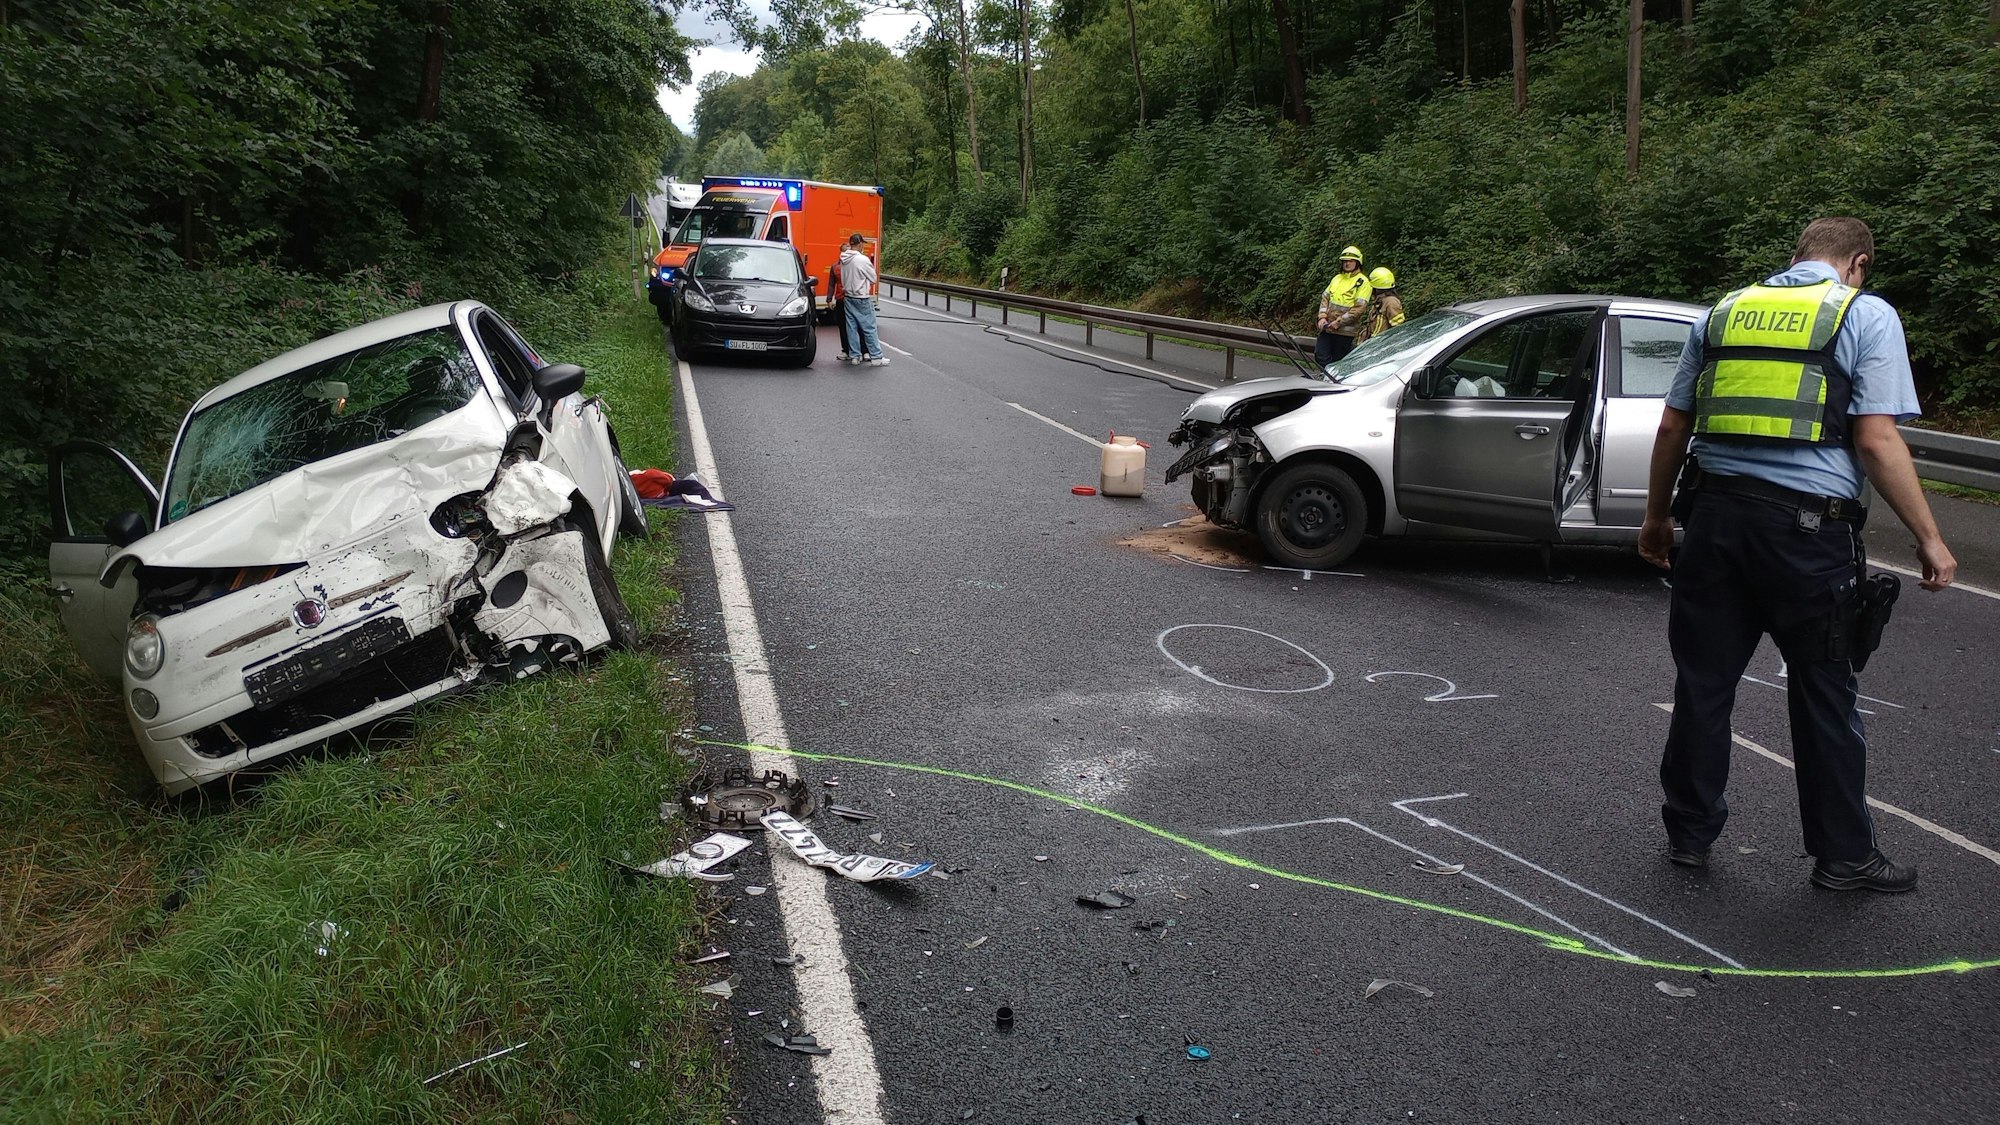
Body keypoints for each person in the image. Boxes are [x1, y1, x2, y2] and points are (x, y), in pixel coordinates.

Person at [1638, 216, 1957, 893]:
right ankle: (1843, 855)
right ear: (1857, 264)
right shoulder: (1862, 315)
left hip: (1715, 521)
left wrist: (1657, 515)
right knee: (1823, 691)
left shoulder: (1726, 311)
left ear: (1796, 257)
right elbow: (1875, 440)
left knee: (1703, 684)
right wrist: (1929, 536)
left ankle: (1689, 836)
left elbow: (1673, 423)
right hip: (1808, 536)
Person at [1314, 246, 1372, 367]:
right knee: (1320, 355)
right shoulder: (1337, 278)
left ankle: (1332, 382)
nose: (1347, 263)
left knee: (1338, 362)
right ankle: (1327, 380)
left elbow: (1359, 308)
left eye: (1351, 261)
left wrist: (1339, 322)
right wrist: (1322, 317)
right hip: (1327, 327)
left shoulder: (1363, 282)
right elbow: (1325, 298)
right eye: (1345, 261)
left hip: (1345, 332)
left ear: (1358, 263)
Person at [838, 233, 887, 367]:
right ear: (859, 244)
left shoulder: (843, 259)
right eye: (862, 244)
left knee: (851, 327)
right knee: (869, 327)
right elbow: (873, 278)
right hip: (861, 297)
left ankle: (855, 355)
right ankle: (876, 356)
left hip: (848, 297)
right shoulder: (862, 259)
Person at [1359, 267, 1405, 342]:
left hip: (1383, 345)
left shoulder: (1391, 302)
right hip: (1374, 343)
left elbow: (1398, 329)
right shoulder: (1379, 301)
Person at [828, 262, 856, 362]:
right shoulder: (855, 265)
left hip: (841, 299)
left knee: (843, 326)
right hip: (854, 298)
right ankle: (861, 352)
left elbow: (831, 284)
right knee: (857, 325)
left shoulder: (835, 267)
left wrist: (829, 299)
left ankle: (846, 351)